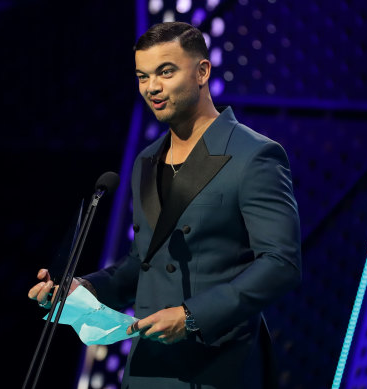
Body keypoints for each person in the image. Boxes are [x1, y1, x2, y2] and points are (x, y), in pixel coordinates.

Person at [28, 21, 301, 389]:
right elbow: (141, 266)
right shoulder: (147, 160)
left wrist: (192, 316)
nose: (152, 87)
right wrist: (81, 289)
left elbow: (281, 264)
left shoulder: (255, 155)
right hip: (149, 367)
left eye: (165, 72)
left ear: (202, 71)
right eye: (143, 76)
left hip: (219, 365)